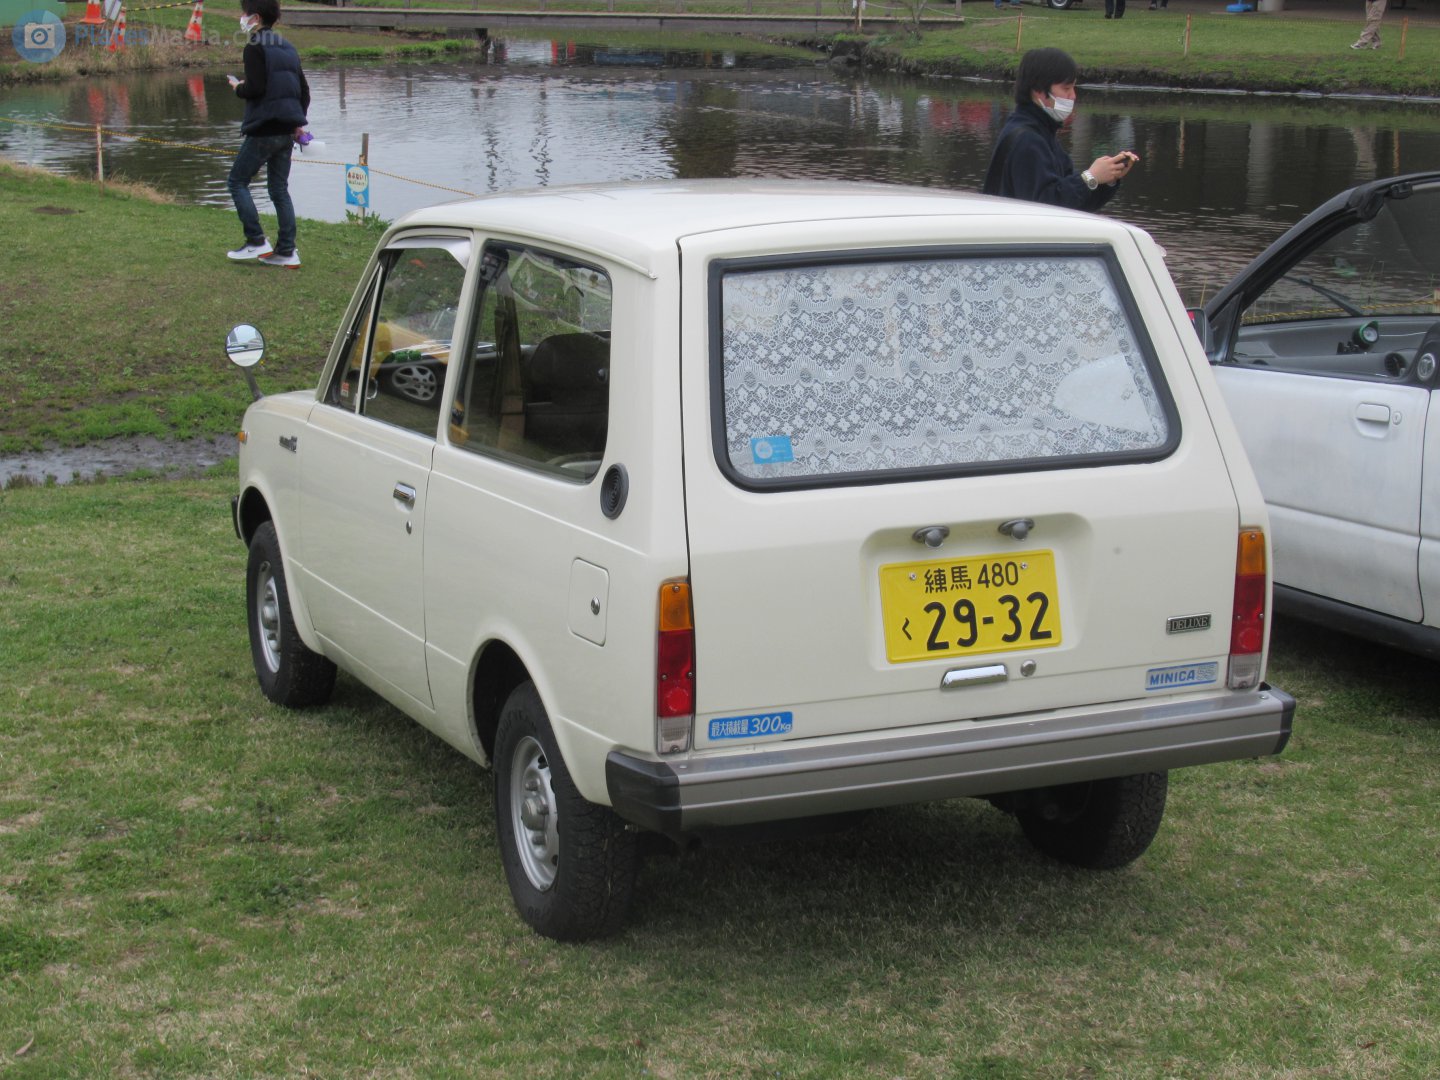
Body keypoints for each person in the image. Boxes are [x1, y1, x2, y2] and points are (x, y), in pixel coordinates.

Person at [981, 47, 1139, 212]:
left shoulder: (1042, 132)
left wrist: (1107, 178)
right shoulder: (1027, 139)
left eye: (1073, 88)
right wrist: (1089, 177)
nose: (1073, 95)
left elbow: (1074, 202)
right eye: (1066, 89)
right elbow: (1044, 207)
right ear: (1039, 91)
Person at [226, 0, 310, 268]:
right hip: (286, 129)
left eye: (244, 12)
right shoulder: (288, 46)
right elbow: (304, 91)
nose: (242, 16)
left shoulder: (254, 46)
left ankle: (256, 241)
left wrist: (238, 87)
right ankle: (286, 251)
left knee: (237, 181)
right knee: (279, 189)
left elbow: (255, 89)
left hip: (264, 128)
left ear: (256, 17)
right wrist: (297, 122)